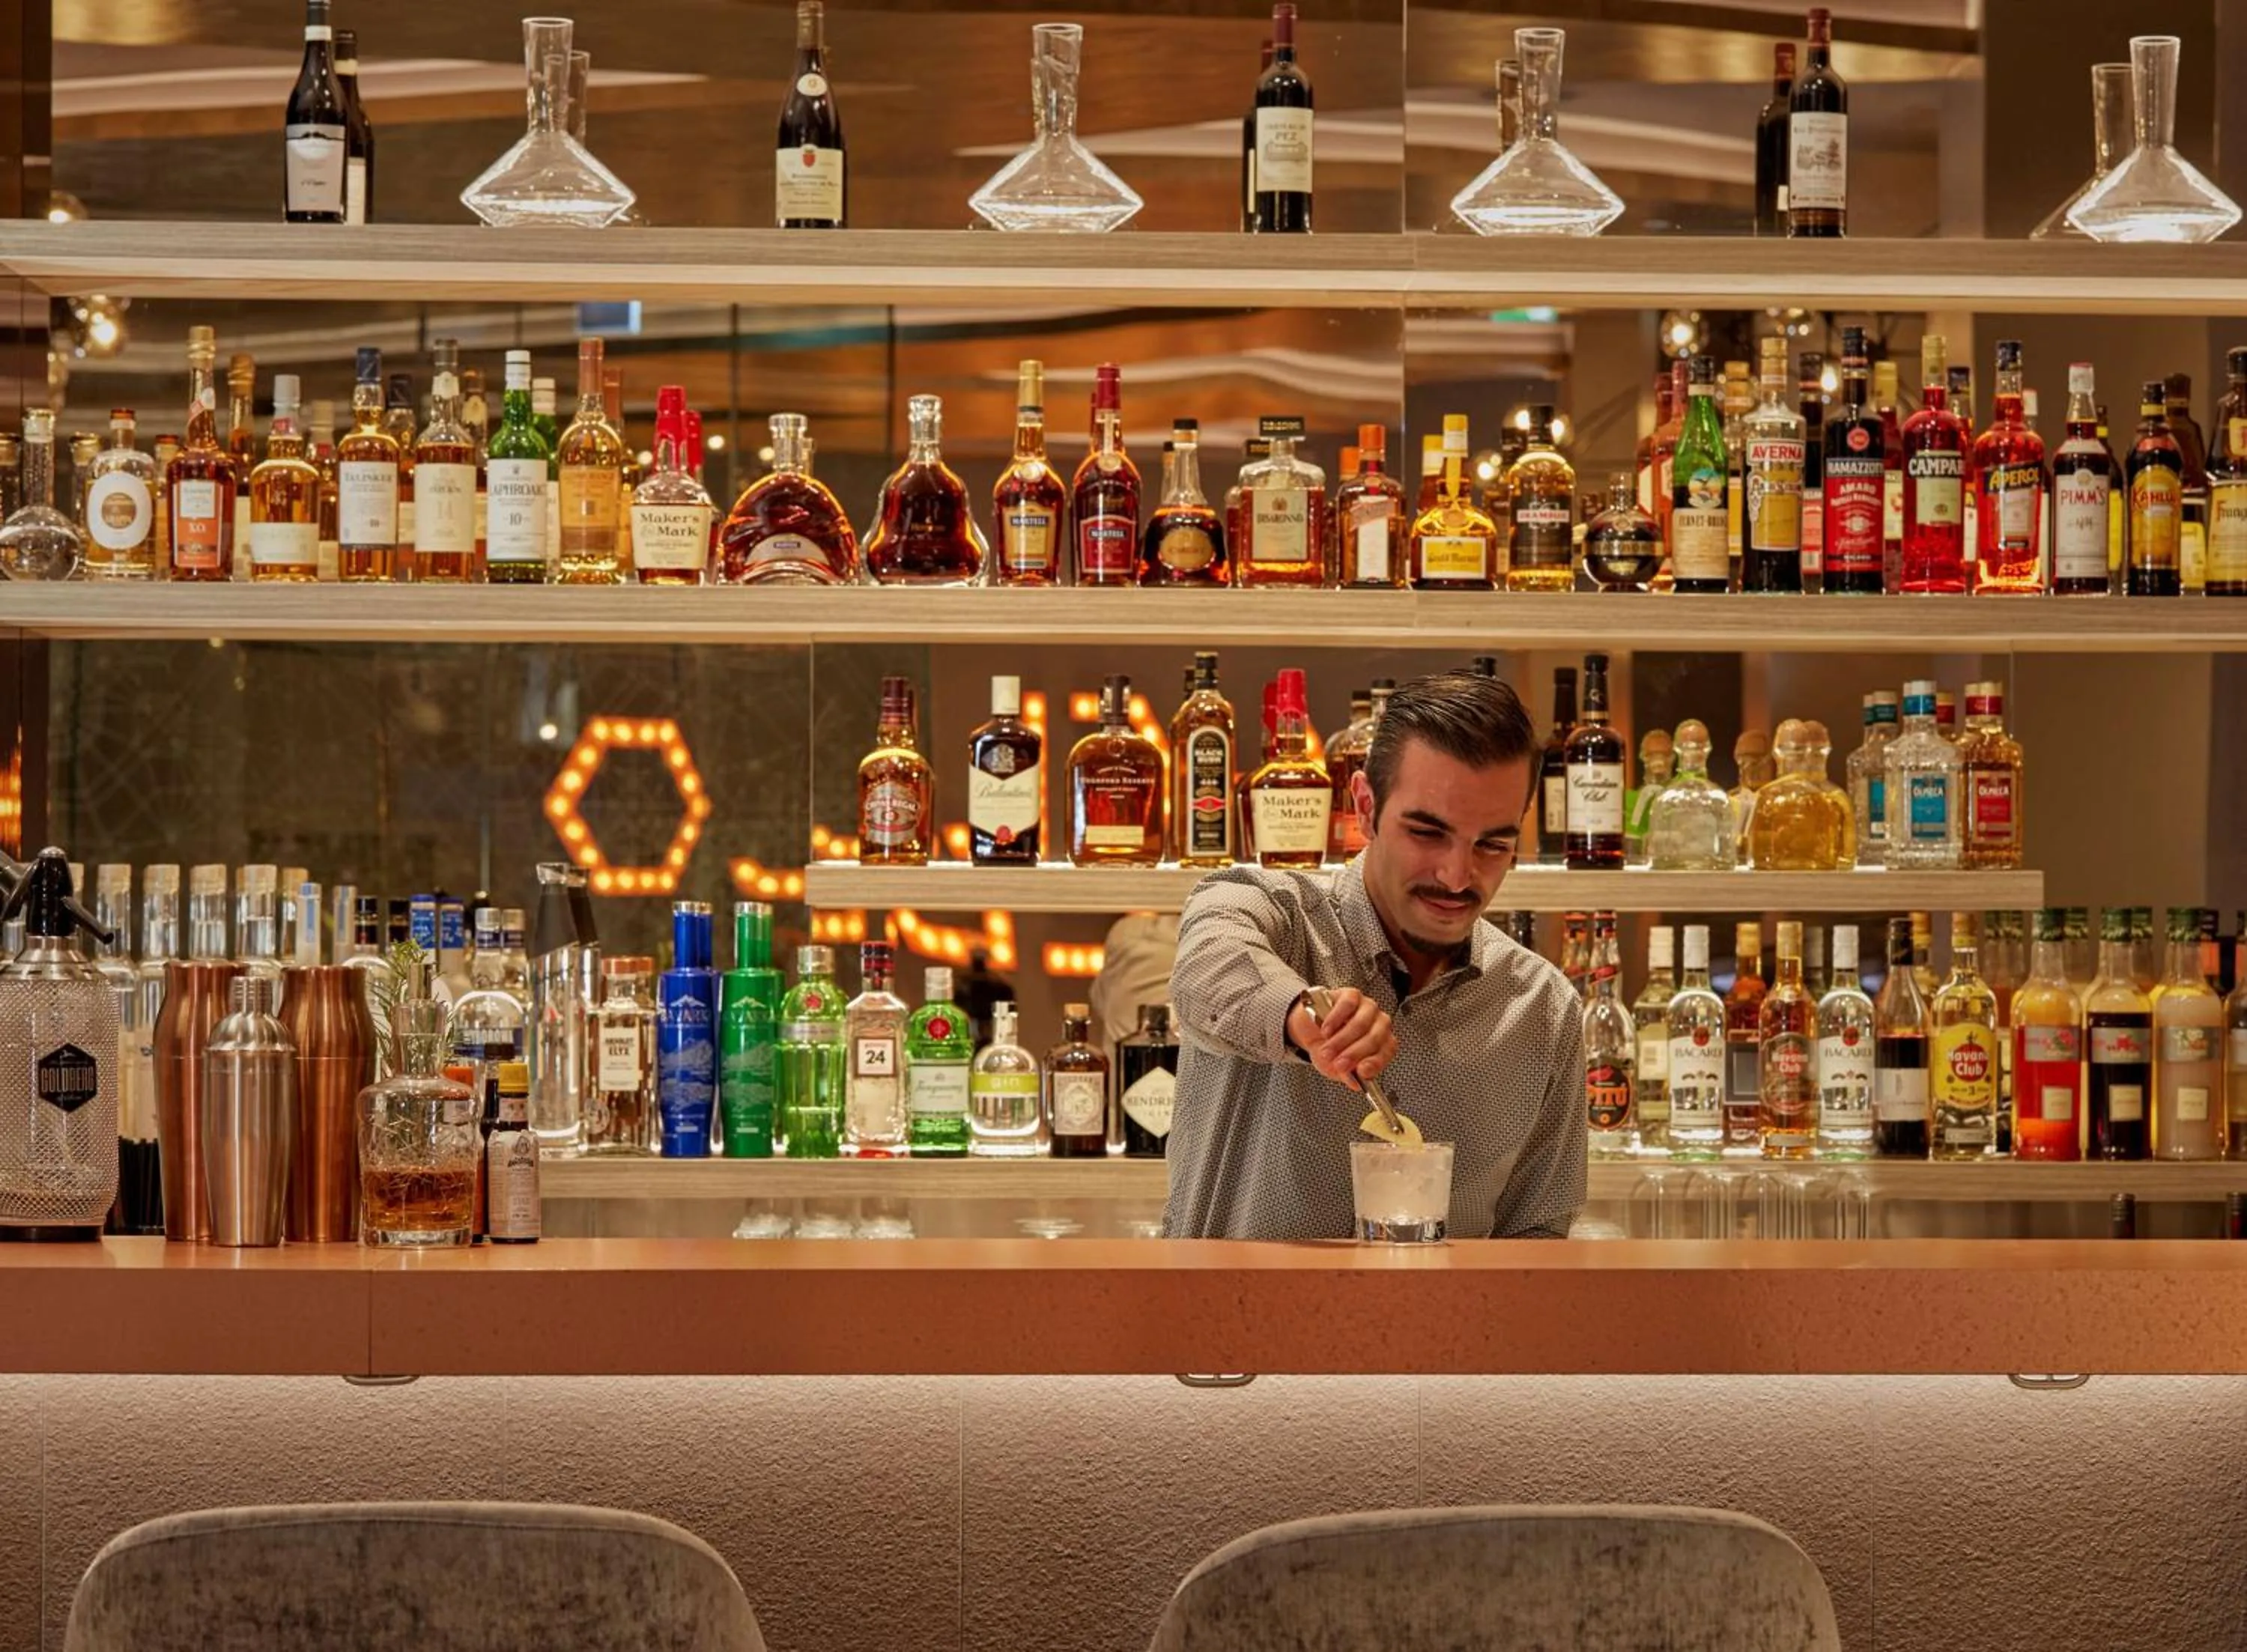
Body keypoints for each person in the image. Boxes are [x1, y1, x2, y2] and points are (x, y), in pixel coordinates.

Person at [1163, 670, 1585, 1240]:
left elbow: (1536, 1234)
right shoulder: (1277, 915)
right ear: (1365, 807)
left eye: (1492, 844)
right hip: (1232, 1325)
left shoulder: (1543, 1010)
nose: (1458, 876)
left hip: (1444, 1330)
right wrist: (1304, 1019)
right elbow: (1208, 963)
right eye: (1427, 833)